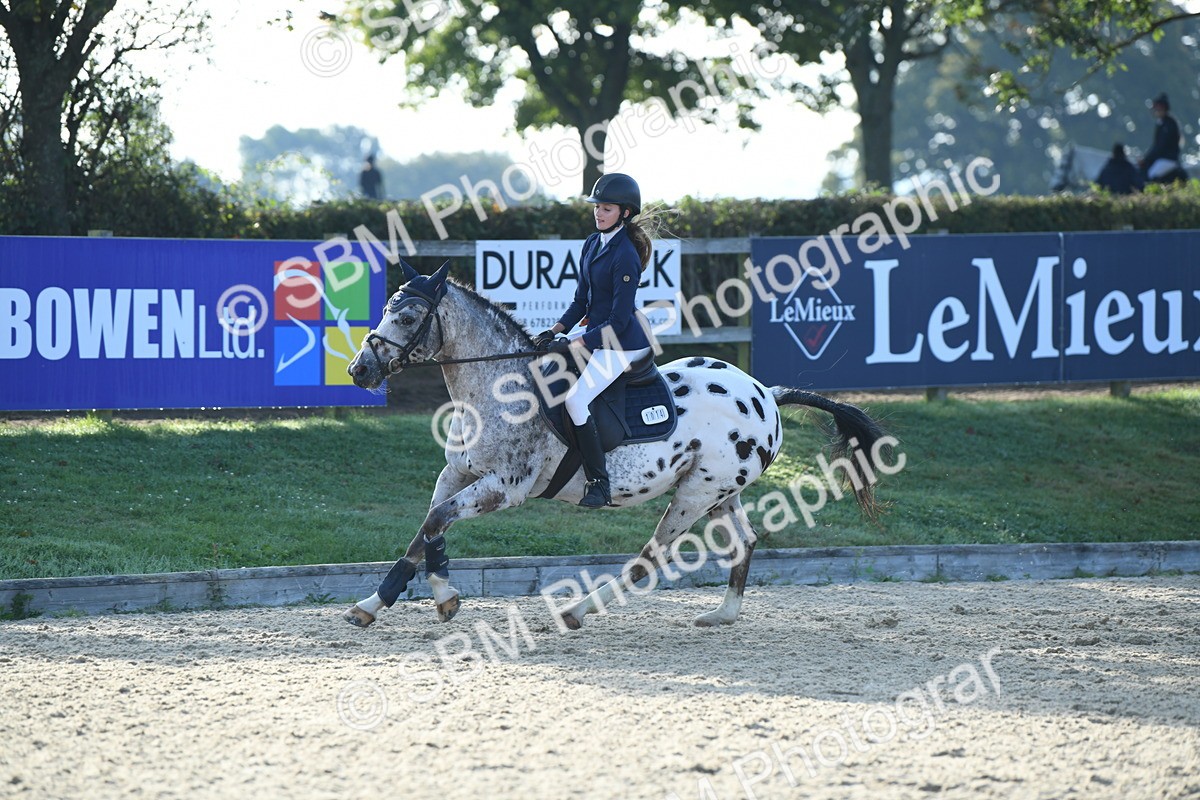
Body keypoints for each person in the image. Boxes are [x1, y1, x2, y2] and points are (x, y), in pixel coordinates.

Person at [532, 173, 654, 509]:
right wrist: (555, 330)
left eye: (607, 208)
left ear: (625, 213)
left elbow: (619, 320)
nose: (599, 213)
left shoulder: (626, 255)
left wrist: (573, 344)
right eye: (597, 207)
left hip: (622, 343)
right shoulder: (591, 243)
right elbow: (580, 303)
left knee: (575, 400)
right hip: (596, 332)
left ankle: (599, 483)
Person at [1139, 93, 1181, 183]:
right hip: (1162, 157)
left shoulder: (1169, 124)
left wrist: (1146, 159)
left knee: (1152, 174)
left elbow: (1160, 146)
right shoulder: (1161, 123)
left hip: (1169, 158)